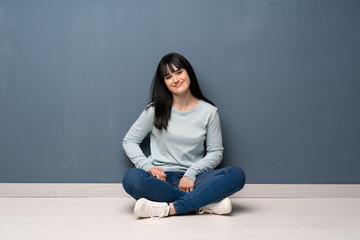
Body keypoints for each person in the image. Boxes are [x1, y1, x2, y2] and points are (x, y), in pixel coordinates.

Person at [122, 53, 245, 218]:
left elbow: (216, 152)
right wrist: (148, 167)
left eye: (179, 72)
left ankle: (168, 209)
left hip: (195, 180)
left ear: (188, 73)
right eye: (168, 77)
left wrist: (191, 173)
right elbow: (129, 141)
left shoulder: (209, 111)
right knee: (131, 178)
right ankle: (205, 203)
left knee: (236, 174)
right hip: (160, 180)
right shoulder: (154, 110)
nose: (175, 79)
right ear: (164, 83)